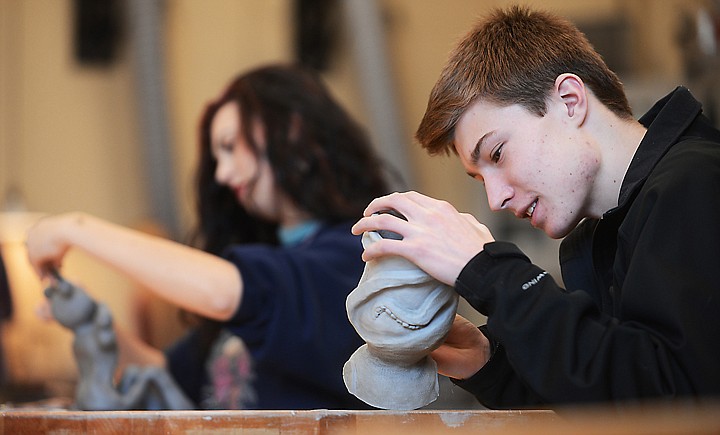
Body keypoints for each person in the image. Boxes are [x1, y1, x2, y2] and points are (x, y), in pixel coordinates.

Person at [351, 5, 720, 408]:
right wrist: (491, 361)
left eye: (497, 153)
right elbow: (610, 393)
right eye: (480, 178)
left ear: (569, 100)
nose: (496, 198)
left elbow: (678, 402)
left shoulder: (697, 183)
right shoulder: (597, 238)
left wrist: (490, 273)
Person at [25, 64, 391, 410]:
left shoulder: (357, 255)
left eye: (230, 147)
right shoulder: (264, 268)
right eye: (217, 157)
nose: (223, 174)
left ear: (293, 130)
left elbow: (224, 292)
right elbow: (163, 373)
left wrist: (75, 228)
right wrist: (93, 320)